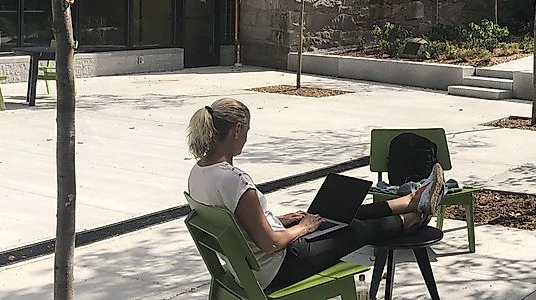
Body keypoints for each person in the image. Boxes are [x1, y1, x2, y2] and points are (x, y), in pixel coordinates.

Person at [186, 98, 446, 292]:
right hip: (278, 268)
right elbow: (271, 244)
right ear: (236, 130)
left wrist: (279, 219)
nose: (246, 138)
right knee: (354, 230)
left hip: (247, 269)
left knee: (334, 216)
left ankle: (410, 200)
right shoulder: (236, 181)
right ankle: (414, 216)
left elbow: (240, 222)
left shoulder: (198, 173)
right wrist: (302, 228)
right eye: (247, 132)